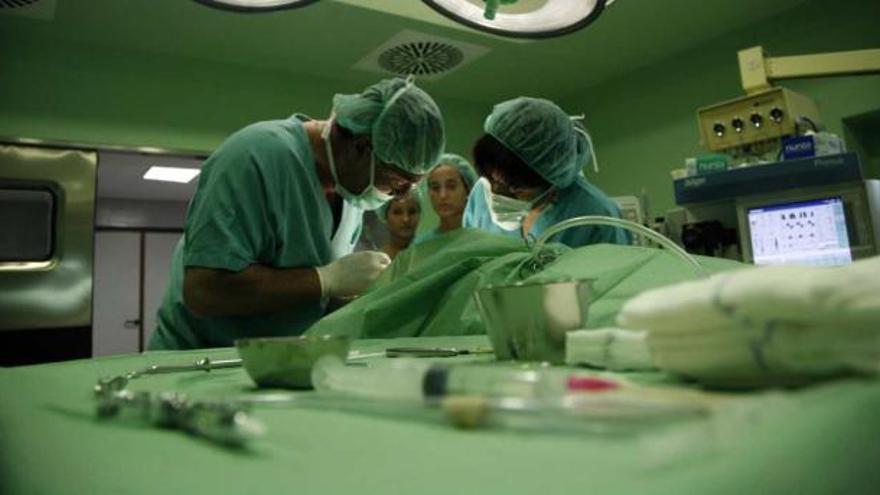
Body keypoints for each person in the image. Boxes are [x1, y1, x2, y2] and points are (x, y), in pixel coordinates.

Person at [149, 77, 445, 350]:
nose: (401, 195)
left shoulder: (349, 194)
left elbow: (306, 297)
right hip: (197, 365)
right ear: (360, 147)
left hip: (272, 364)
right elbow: (204, 290)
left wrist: (362, 295)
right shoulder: (256, 156)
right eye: (398, 182)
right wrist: (325, 279)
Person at [463, 97, 630, 247]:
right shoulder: (480, 197)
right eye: (492, 179)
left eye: (515, 188)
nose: (496, 193)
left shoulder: (595, 216)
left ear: (550, 180)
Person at [414, 153, 478, 245]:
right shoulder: (421, 246)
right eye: (435, 188)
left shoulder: (483, 239)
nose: (442, 195)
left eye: (451, 187)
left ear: (468, 190)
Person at [377, 190, 421, 259]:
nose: (406, 219)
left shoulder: (429, 255)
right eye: (397, 212)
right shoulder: (376, 261)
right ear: (385, 217)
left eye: (412, 212)